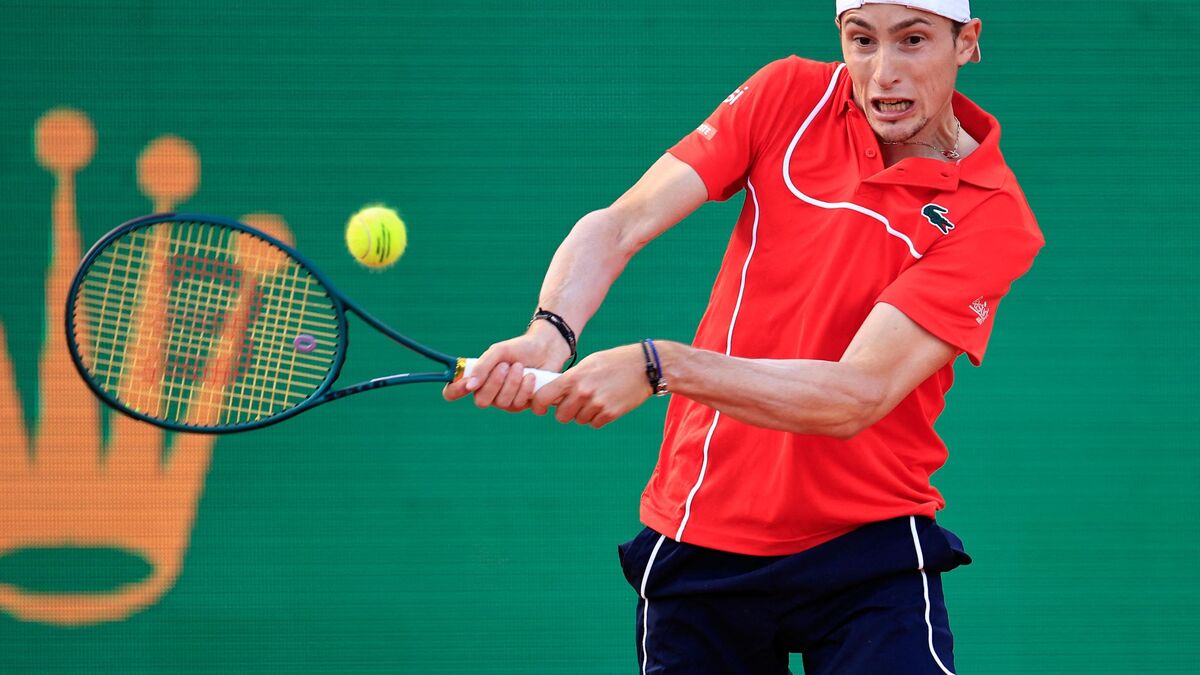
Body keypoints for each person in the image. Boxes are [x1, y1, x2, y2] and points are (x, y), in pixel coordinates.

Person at [445, 0, 1043, 672]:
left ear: (967, 43)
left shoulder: (992, 215)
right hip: (706, 529)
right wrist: (549, 333)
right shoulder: (787, 94)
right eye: (862, 40)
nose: (883, 74)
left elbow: (857, 392)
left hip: (867, 547)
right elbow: (619, 225)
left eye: (912, 41)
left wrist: (661, 365)